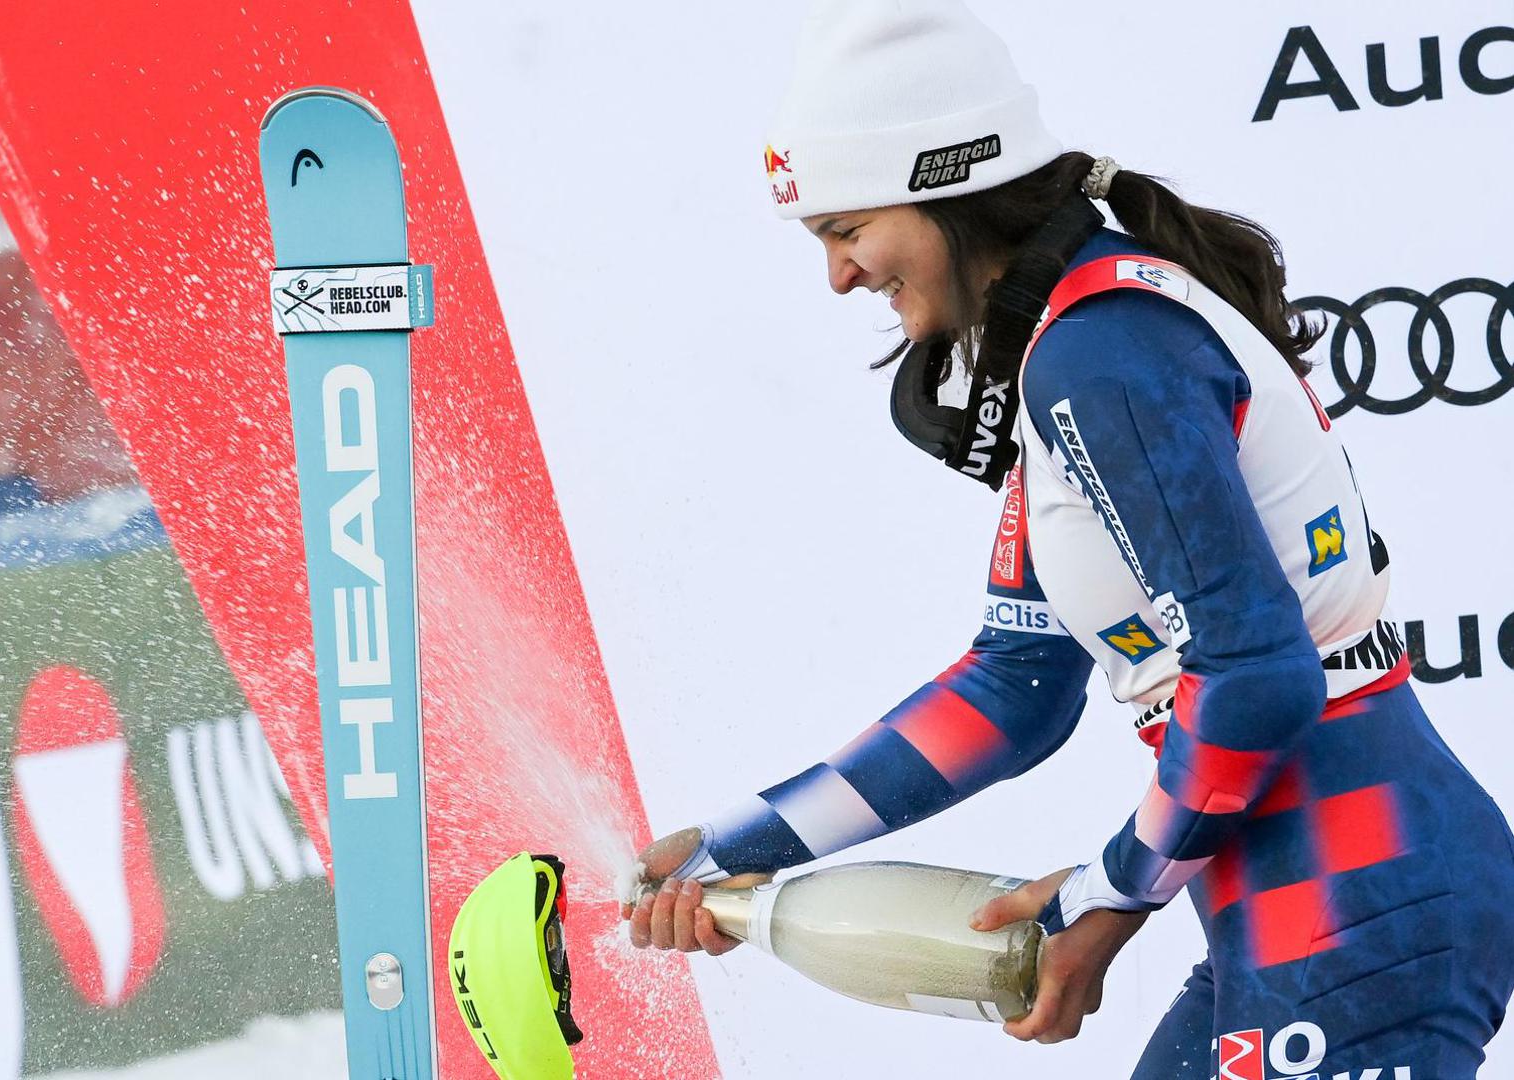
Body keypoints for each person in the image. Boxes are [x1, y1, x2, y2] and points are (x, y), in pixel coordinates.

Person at [622, 2, 1514, 1076]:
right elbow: (1013, 690)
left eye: (847, 230)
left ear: (946, 184)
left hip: (1353, 897)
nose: (840, 277)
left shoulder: (1097, 357)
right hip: (1315, 892)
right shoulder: (1078, 344)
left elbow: (1259, 675)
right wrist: (732, 849)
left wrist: (1113, 888)